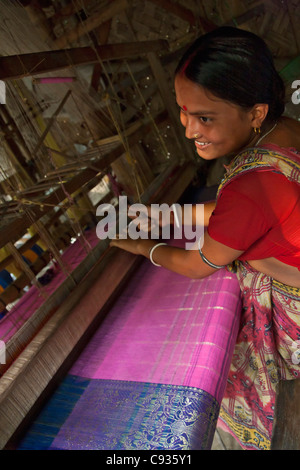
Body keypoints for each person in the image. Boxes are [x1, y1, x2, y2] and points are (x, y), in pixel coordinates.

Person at [110, 26, 300, 450]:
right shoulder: (283, 131)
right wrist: (165, 215)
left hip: (294, 301)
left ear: (254, 113)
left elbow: (198, 265)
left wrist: (145, 247)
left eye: (205, 118)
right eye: (183, 111)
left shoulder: (253, 184)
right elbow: (240, 216)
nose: (189, 129)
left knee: (229, 405)